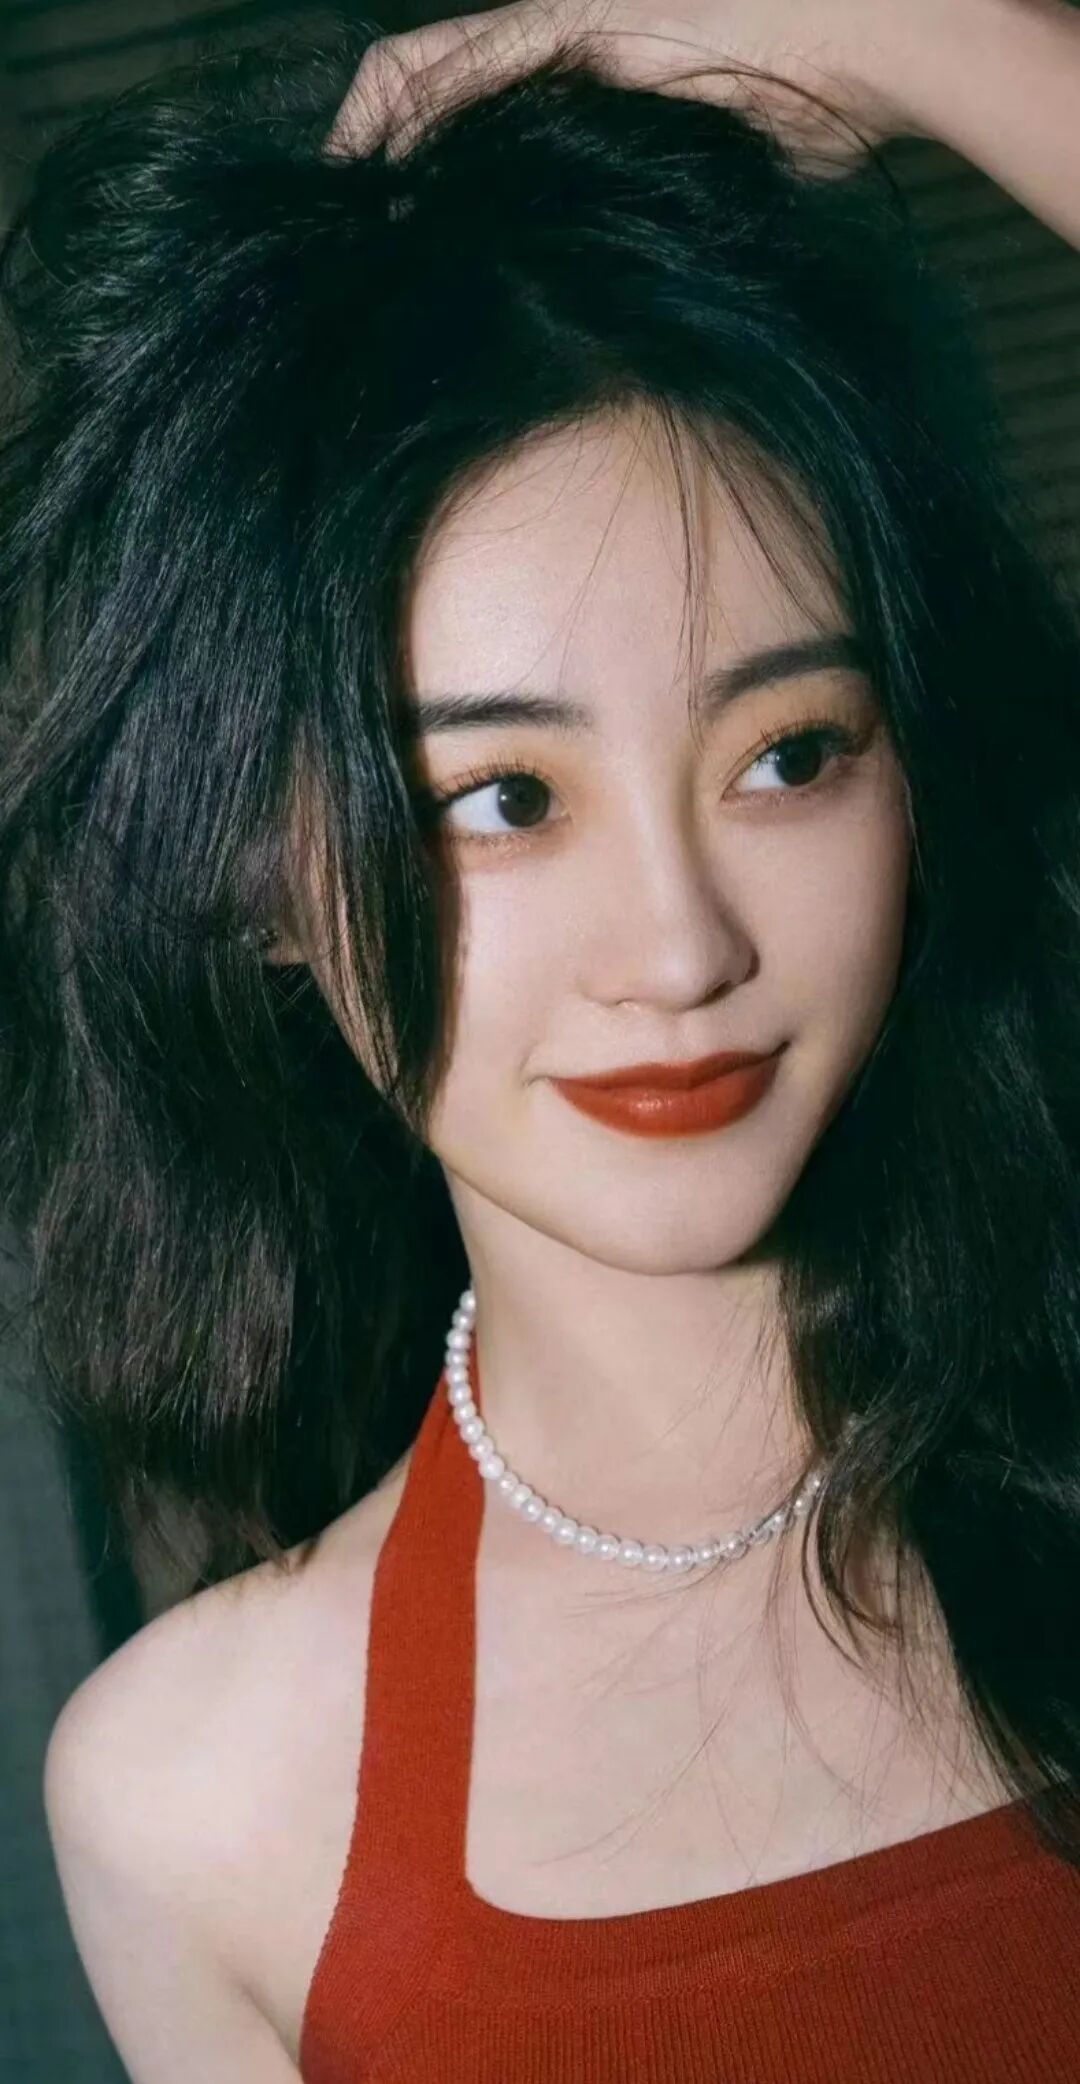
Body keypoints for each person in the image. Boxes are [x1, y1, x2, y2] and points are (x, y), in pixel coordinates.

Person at [1, 1, 1079, 2078]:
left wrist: (897, 31)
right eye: (502, 797)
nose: (679, 946)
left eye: (791, 752)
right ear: (261, 882)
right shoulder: (204, 1800)